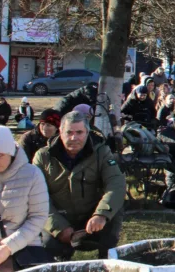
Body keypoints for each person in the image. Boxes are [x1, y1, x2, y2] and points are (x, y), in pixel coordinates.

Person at [35, 111, 126, 260]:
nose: (74, 137)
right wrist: (59, 227)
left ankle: (107, 260)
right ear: (60, 132)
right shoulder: (43, 156)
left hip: (92, 215)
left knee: (113, 217)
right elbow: (37, 197)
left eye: (79, 132)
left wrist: (101, 214)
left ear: (87, 133)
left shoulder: (102, 152)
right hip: (60, 215)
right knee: (49, 249)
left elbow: (116, 184)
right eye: (69, 132)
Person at [0, 126, 51, 272]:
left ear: (10, 152)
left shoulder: (32, 174)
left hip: (24, 247)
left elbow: (38, 218)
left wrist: (8, 247)